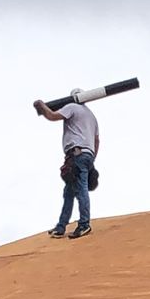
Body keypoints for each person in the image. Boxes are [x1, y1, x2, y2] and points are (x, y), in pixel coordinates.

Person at [36, 91, 99, 238]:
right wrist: (91, 158)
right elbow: (97, 141)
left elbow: (52, 116)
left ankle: (84, 225)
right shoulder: (92, 117)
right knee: (69, 191)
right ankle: (61, 226)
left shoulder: (72, 107)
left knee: (80, 188)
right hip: (87, 154)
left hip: (76, 154)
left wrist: (42, 105)